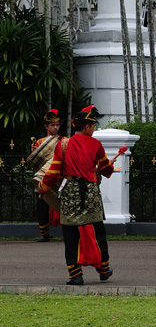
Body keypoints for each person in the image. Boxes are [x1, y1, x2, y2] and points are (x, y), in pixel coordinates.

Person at [38, 105, 125, 285]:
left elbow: (53, 171)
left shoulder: (63, 144)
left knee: (71, 233)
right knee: (97, 230)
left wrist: (43, 188)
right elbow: (106, 170)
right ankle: (103, 269)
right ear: (86, 127)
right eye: (93, 127)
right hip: (91, 193)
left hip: (71, 192)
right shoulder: (96, 145)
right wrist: (107, 166)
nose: (94, 130)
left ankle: (75, 275)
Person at [25, 109, 65, 242]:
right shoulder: (39, 142)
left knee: (62, 204)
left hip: (59, 177)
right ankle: (45, 234)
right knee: (42, 206)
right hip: (44, 177)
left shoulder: (63, 140)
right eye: (52, 125)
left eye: (57, 125)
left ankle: (68, 231)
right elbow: (36, 163)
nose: (55, 127)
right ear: (46, 126)